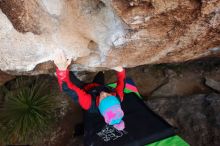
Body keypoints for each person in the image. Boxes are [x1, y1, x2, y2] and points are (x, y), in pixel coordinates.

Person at [54, 51, 126, 130]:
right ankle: (102, 72)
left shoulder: (88, 104)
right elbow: (122, 82)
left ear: (100, 105)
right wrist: (120, 71)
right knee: (101, 73)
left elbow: (68, 88)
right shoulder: (118, 97)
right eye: (109, 95)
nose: (105, 93)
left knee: (69, 77)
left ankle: (56, 72)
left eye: (104, 98)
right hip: (98, 86)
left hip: (85, 90)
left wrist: (62, 71)